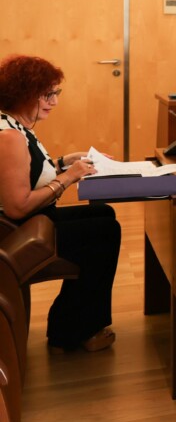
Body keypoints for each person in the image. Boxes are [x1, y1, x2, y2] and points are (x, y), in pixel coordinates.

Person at [0, 55, 121, 353]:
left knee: (104, 215)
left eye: (56, 93)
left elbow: (26, 175)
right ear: (23, 93)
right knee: (104, 233)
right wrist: (68, 178)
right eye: (47, 94)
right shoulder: (10, 137)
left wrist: (66, 161)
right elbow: (17, 205)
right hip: (19, 229)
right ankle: (74, 331)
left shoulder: (16, 125)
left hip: (33, 220)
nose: (54, 101)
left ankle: (71, 322)